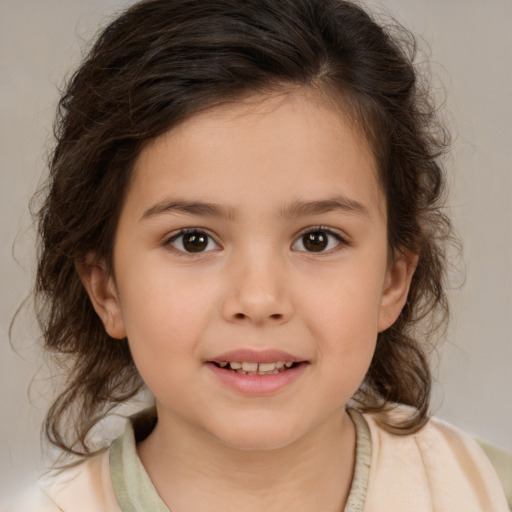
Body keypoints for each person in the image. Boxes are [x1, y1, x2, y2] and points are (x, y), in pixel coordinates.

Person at [20, 0, 509, 510]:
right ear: (106, 289)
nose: (258, 299)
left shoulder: (487, 492)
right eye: (194, 240)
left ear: (393, 280)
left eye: (317, 239)